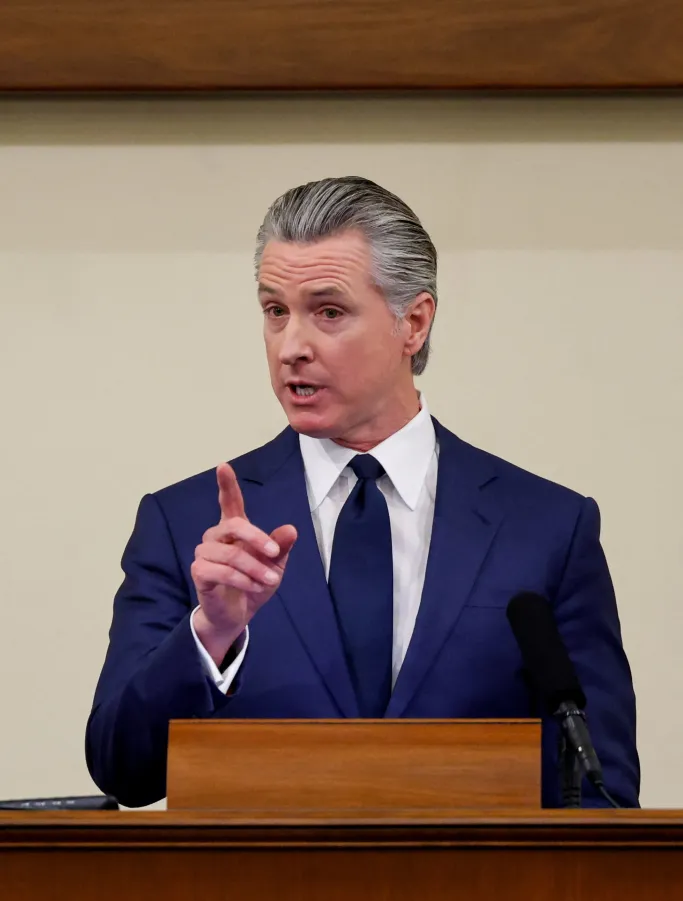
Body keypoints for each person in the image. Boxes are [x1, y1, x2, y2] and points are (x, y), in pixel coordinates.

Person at [86, 176, 640, 809]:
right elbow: (120, 769)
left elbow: (604, 794)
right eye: (275, 311)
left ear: (415, 322)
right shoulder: (185, 524)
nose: (292, 347)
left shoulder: (546, 529)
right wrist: (210, 632)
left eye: (328, 311)